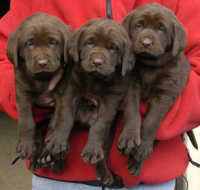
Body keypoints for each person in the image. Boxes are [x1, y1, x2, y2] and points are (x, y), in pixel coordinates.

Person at [0, 0, 200, 189]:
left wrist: (142, 114)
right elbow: (4, 58)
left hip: (151, 173)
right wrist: (37, 94)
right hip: (61, 175)